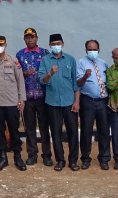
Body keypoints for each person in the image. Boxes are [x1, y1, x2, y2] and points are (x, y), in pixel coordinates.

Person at [0, 35, 27, 171]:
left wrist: (22, 99)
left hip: (11, 102)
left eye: (1, 44)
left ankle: (17, 157)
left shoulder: (13, 60)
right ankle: (3, 158)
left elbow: (20, 80)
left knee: (14, 130)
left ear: (5, 45)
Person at [39, 33, 80, 172]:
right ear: (50, 45)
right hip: (53, 102)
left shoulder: (70, 59)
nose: (56, 46)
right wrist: (50, 73)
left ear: (62, 43)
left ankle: (73, 161)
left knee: (73, 132)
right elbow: (42, 80)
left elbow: (75, 83)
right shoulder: (45, 60)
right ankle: (60, 160)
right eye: (53, 44)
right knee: (56, 133)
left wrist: (77, 101)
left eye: (58, 43)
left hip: (69, 102)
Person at [15, 27, 53, 166]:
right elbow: (16, 76)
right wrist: (25, 74)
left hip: (43, 97)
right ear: (24, 39)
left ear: (37, 38)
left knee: (44, 128)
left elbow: (50, 72)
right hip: (27, 98)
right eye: (27, 37)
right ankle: (32, 154)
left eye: (32, 37)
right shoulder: (19, 55)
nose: (30, 39)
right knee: (29, 128)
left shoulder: (45, 53)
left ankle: (47, 155)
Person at [76, 39, 110, 170]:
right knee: (86, 131)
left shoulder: (103, 63)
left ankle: (104, 159)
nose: (92, 52)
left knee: (104, 131)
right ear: (86, 50)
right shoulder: (81, 63)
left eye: (94, 49)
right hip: (88, 101)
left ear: (99, 49)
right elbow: (78, 83)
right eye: (90, 49)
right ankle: (85, 159)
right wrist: (85, 76)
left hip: (102, 101)